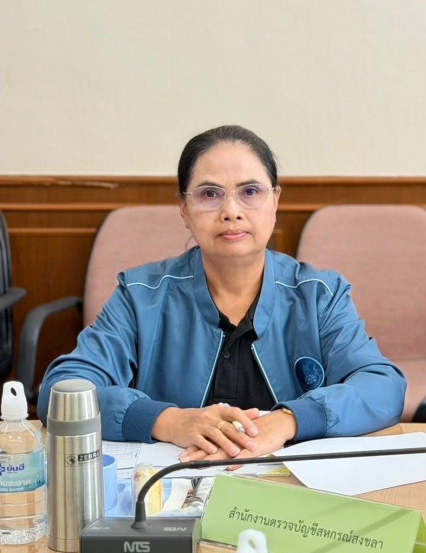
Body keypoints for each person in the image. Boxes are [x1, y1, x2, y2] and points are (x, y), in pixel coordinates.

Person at [39, 125, 406, 463]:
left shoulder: (319, 295)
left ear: (275, 201)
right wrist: (168, 421)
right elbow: (61, 393)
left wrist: (289, 421)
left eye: (250, 192)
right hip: (173, 486)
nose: (231, 211)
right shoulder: (140, 297)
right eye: (210, 194)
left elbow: (383, 387)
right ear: (184, 210)